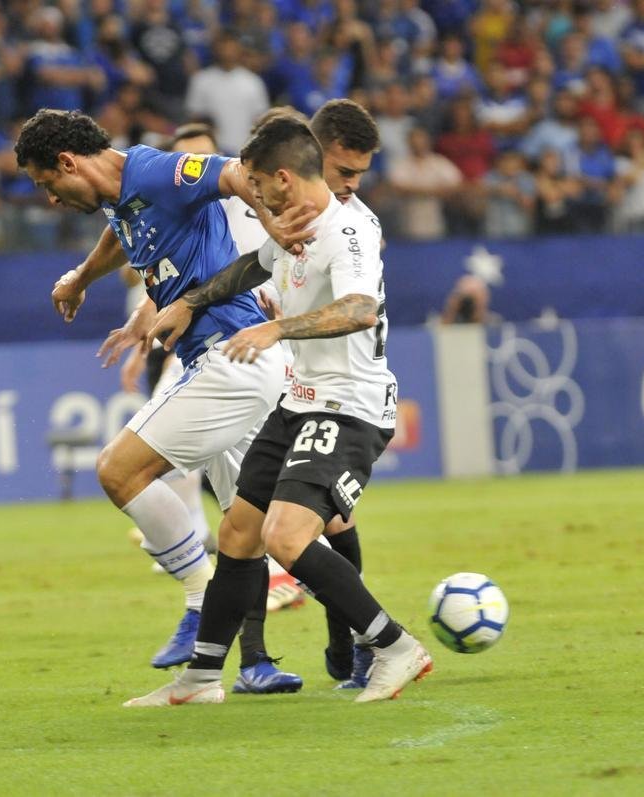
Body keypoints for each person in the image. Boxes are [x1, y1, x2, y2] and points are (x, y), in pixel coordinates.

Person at [127, 116, 431, 706]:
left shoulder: (348, 231)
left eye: (257, 185)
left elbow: (361, 309)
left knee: (285, 536)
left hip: (349, 406)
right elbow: (252, 266)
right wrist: (190, 301)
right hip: (300, 400)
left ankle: (394, 647)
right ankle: (202, 678)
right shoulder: (297, 223)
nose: (253, 196)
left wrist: (276, 329)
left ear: (284, 179)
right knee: (239, 532)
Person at [13, 109, 311, 693]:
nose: (49, 199)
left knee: (118, 470)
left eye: (47, 184)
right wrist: (81, 277)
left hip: (233, 359)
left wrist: (273, 222)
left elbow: (232, 173)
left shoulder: (155, 172)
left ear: (68, 163)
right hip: (229, 361)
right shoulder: (120, 197)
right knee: (249, 533)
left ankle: (200, 598)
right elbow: (119, 235)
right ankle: (239, 669)